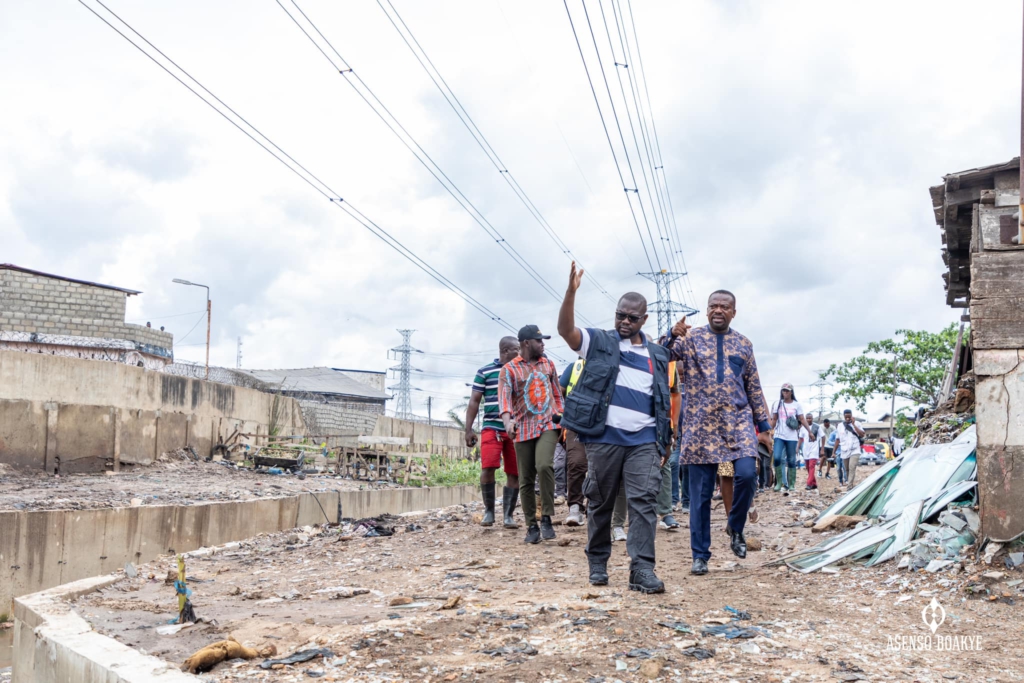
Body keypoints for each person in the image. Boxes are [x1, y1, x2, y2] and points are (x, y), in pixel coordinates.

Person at [558, 262, 672, 594]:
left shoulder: (655, 355)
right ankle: (597, 561)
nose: (624, 321)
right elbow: (567, 331)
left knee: (643, 502)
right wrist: (571, 292)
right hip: (604, 438)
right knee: (601, 501)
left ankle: (641, 569)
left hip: (644, 440)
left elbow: (662, 399)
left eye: (631, 318)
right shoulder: (599, 341)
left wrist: (665, 438)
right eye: (620, 314)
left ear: (644, 320)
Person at [661, 291, 772, 576]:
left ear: (734, 312)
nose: (718, 310)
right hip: (700, 426)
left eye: (725, 306)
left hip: (737, 424)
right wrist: (672, 335)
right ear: (707, 310)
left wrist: (764, 427)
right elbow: (663, 355)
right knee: (699, 494)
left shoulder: (744, 344)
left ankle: (735, 527)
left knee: (747, 475)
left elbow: (754, 386)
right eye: (713, 306)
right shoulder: (691, 339)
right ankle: (700, 555)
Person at [498, 325, 565, 544]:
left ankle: (546, 516)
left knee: (545, 465)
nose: (543, 344)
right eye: (539, 341)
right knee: (525, 478)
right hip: (523, 428)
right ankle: (531, 525)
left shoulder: (548, 364)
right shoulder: (509, 370)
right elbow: (505, 400)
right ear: (526, 343)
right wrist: (508, 423)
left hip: (547, 423)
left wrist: (560, 414)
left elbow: (557, 393)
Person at [465, 337, 521, 527]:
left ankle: (508, 515)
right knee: (488, 468)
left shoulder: (520, 370)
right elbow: (474, 400)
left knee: (515, 472)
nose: (520, 352)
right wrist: (468, 429)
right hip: (491, 427)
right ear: (505, 351)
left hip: (515, 428)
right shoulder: (485, 371)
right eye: (516, 349)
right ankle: (489, 511)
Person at [769, 384, 813, 495]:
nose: (785, 392)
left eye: (788, 391)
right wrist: (769, 431)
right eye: (784, 390)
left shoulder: (796, 405)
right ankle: (779, 482)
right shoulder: (777, 404)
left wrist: (809, 431)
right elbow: (774, 419)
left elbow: (802, 419)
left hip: (792, 436)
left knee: (792, 460)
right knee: (777, 457)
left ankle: (791, 484)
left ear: (791, 392)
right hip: (779, 435)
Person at [559, 359, 588, 527]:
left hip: (602, 424)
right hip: (575, 424)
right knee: (575, 462)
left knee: (600, 466)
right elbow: (558, 392)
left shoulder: (611, 364)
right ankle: (575, 507)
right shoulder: (574, 367)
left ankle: (595, 507)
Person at [835, 409, 865, 488]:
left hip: (855, 449)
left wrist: (854, 424)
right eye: (846, 417)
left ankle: (849, 486)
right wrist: (833, 452)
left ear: (851, 416)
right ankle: (850, 483)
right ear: (844, 416)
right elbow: (837, 439)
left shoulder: (857, 423)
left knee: (852, 467)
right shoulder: (840, 426)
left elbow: (862, 434)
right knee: (847, 469)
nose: (848, 418)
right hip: (844, 450)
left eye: (849, 417)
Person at [798, 412, 821, 491]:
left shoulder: (817, 427)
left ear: (812, 418)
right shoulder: (802, 428)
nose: (808, 420)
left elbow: (823, 436)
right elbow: (800, 438)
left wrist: (822, 449)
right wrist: (797, 448)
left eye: (810, 418)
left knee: (812, 466)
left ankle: (809, 483)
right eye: (807, 418)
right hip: (806, 449)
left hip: (814, 449)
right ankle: (814, 483)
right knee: (808, 467)